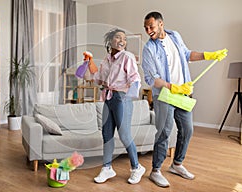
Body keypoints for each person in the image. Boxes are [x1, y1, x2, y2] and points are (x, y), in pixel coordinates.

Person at [142, 11, 227, 188]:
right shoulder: (149, 48)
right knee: (164, 132)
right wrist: (173, 87)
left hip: (183, 95)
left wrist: (208, 55)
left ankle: (177, 164)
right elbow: (151, 79)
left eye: (151, 26)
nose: (148, 30)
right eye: (146, 28)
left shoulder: (175, 36)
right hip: (165, 96)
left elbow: (187, 55)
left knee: (187, 130)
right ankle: (155, 170)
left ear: (161, 24)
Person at [93, 28, 145, 184]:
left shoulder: (127, 57)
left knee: (124, 135)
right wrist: (88, 65)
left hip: (122, 98)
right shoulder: (107, 59)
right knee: (107, 134)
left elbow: (135, 78)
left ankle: (137, 168)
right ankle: (107, 168)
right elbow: (99, 79)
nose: (122, 40)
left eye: (124, 38)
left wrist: (127, 97)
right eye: (118, 37)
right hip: (109, 98)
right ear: (110, 41)